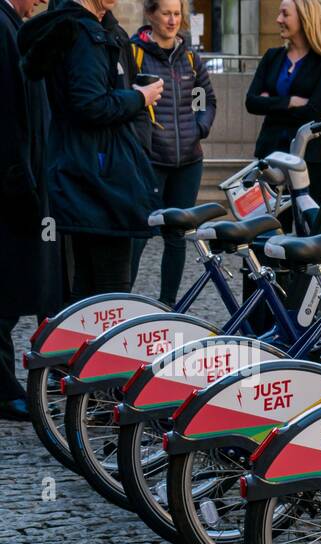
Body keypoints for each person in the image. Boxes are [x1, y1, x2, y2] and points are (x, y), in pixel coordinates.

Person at [19, 0, 162, 301]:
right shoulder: (85, 34)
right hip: (100, 177)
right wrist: (140, 98)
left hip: (88, 170)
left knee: (88, 287)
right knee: (109, 294)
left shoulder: (83, 29)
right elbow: (91, 104)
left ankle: (83, 347)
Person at [128, 0, 217, 306]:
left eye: (177, 13)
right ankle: (121, 303)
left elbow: (206, 98)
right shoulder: (134, 53)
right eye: (166, 13)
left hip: (188, 162)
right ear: (150, 14)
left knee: (176, 237)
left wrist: (199, 128)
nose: (172, 19)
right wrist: (143, 138)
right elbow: (125, 99)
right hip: (150, 161)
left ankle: (168, 305)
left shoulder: (190, 56)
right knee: (138, 235)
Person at [0, 0, 61, 421]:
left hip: (25, 182)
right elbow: (8, 119)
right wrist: (22, 186)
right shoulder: (3, 26)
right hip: (13, 189)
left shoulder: (14, 24)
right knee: (5, 295)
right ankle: (3, 390)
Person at [245, 0, 321, 204]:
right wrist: (289, 102)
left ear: (304, 18)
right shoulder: (272, 57)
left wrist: (270, 103)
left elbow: (313, 112)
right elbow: (252, 102)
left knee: (310, 229)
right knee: (271, 227)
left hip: (310, 160)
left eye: (285, 14)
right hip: (270, 157)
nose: (278, 19)